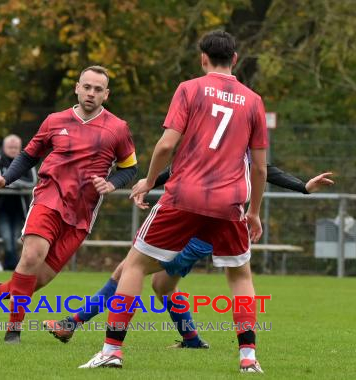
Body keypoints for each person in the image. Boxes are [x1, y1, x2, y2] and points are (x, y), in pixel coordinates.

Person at [80, 30, 268, 372]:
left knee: (134, 265)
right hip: (229, 203)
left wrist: (149, 181)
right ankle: (248, 358)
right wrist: (253, 212)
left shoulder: (190, 89)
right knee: (241, 276)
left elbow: (167, 145)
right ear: (235, 60)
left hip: (183, 195)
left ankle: (111, 350)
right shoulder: (253, 101)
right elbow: (259, 167)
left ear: (203, 58)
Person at [44, 166, 334, 347]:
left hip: (197, 233)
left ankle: (72, 324)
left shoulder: (228, 143)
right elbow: (177, 168)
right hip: (197, 231)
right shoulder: (212, 142)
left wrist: (303, 187)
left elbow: (263, 169)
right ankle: (192, 340)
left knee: (126, 270)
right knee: (162, 286)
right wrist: (150, 182)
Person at [0, 65, 138, 344]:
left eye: (98, 89)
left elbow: (129, 168)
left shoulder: (117, 128)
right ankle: (14, 330)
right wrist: (5, 179)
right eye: (86, 87)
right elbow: (28, 157)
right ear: (77, 87)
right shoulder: (54, 120)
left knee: (38, 279)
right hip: (48, 198)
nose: (91, 93)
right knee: (30, 257)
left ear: (106, 95)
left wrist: (111, 184)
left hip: (82, 214)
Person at [0, 134, 37, 271]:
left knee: (16, 238)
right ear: (4, 147)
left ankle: (12, 267)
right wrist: (13, 182)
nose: (12, 149)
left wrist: (8, 180)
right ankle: (12, 267)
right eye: (10, 147)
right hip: (2, 208)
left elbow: (32, 182)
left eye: (15, 147)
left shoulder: (26, 160)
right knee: (7, 238)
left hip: (21, 208)